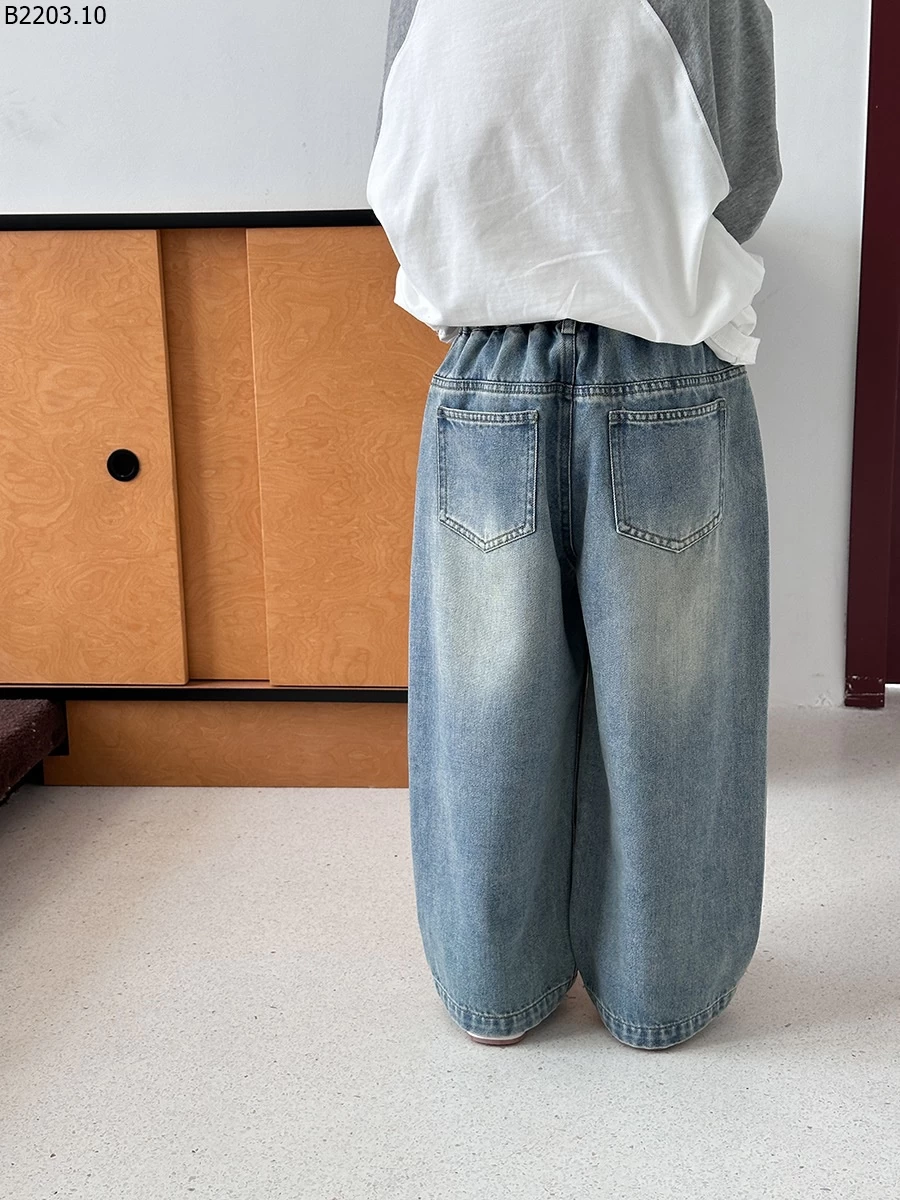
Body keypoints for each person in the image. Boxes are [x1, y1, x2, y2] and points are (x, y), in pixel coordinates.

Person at [366, 0, 783, 1047]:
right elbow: (744, 171)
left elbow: (405, 164)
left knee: (485, 704)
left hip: (488, 366)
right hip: (663, 362)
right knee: (676, 707)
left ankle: (492, 983)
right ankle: (661, 994)